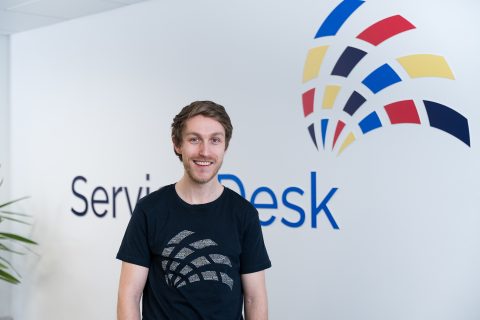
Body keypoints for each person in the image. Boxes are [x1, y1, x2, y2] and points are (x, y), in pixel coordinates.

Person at [116, 100, 271, 320]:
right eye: (194, 139)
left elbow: (255, 298)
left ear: (225, 146)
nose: (205, 151)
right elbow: (129, 295)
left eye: (215, 140)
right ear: (177, 145)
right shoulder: (149, 211)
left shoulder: (244, 214)